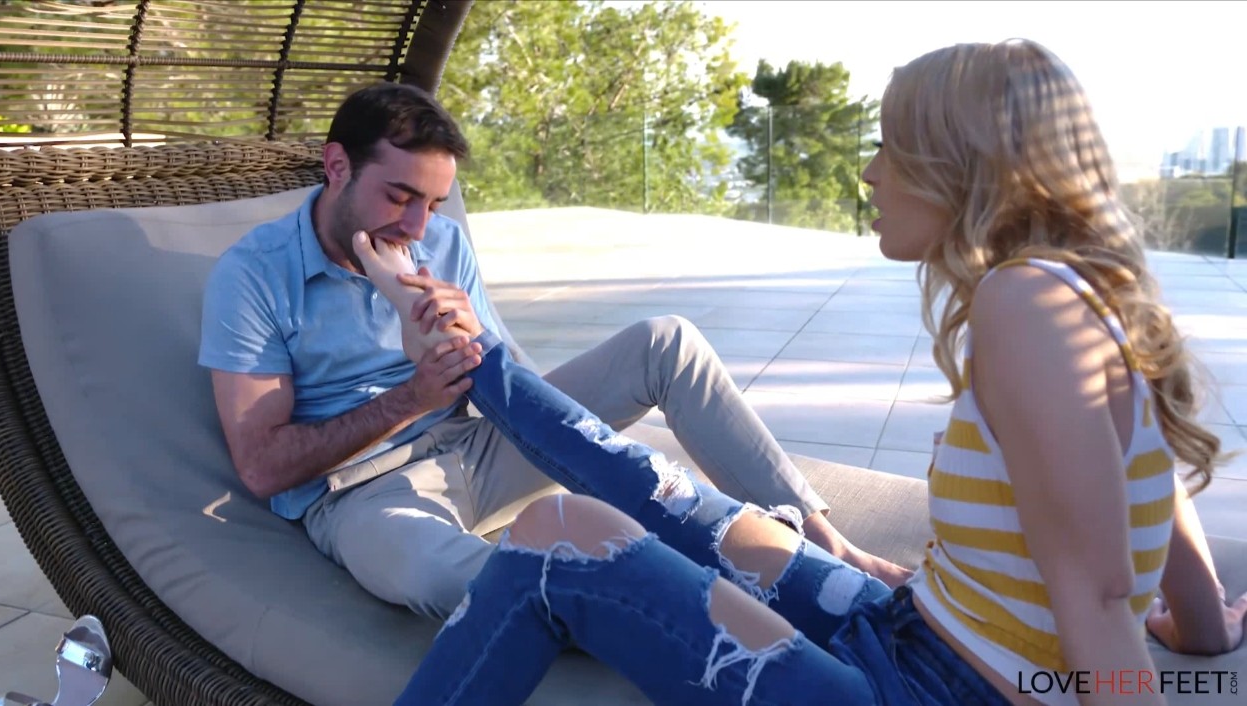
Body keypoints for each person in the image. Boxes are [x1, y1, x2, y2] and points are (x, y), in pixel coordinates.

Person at [373, 39, 1247, 706]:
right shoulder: (1084, 296)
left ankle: (465, 353)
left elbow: (1099, 597)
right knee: (662, 488)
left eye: (890, 148)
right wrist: (1202, 631)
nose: (869, 172)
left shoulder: (1023, 302)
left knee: (557, 536)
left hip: (925, 688)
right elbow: (1147, 490)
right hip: (906, 627)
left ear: (959, 166)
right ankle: (466, 351)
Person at [197, 82, 908, 623]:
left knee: (666, 343)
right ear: (337, 166)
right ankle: (690, 606)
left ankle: (830, 548)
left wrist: (465, 344)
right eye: (400, 196)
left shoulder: (438, 241)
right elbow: (263, 467)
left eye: (434, 203)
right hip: (362, 491)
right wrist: (412, 396)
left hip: (479, 445)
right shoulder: (254, 276)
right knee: (438, 577)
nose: (417, 226)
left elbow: (512, 391)